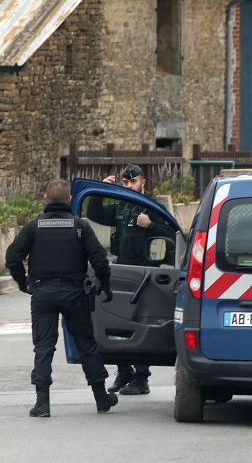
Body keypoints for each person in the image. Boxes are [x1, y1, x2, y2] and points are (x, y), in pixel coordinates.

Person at [4, 178, 119, 417]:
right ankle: (101, 398)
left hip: (43, 294)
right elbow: (99, 259)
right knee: (86, 345)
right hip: (74, 293)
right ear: (69, 201)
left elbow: (12, 257)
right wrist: (104, 284)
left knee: (43, 347)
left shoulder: (33, 227)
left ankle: (42, 404)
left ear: (45, 199)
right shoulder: (80, 227)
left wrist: (23, 282)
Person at [86, 163, 173, 396]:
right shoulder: (122, 206)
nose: (129, 186)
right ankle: (124, 371)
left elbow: (171, 237)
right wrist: (99, 192)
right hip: (122, 273)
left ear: (143, 182)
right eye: (125, 182)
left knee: (140, 324)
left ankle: (142, 378)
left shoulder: (152, 206)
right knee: (117, 325)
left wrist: (151, 225)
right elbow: (95, 214)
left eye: (132, 182)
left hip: (145, 274)